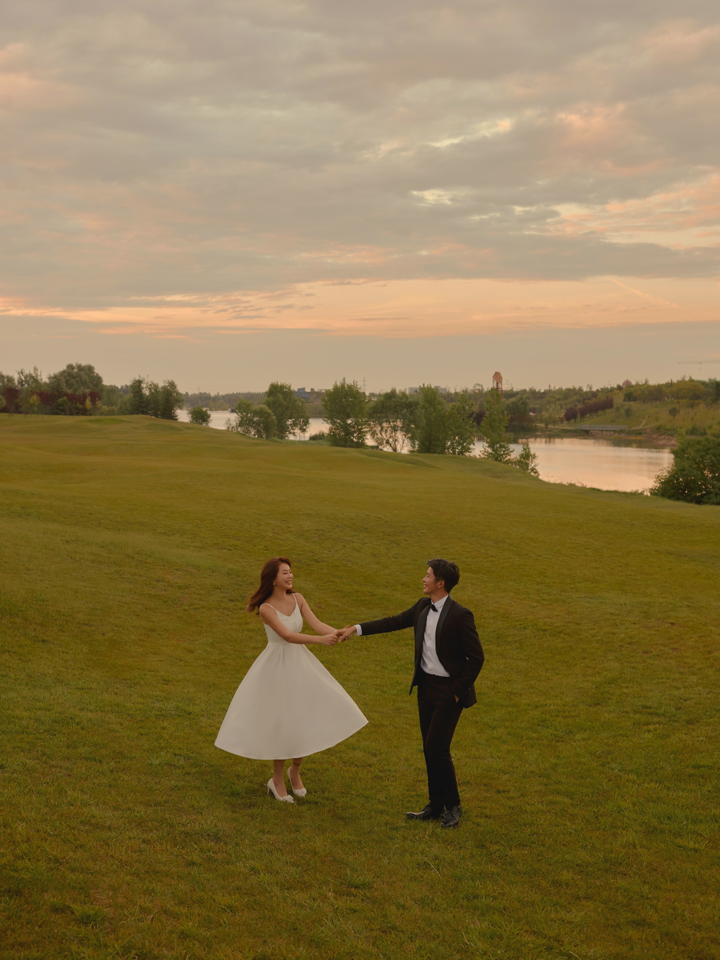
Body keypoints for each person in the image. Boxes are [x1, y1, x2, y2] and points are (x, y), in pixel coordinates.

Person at [338, 558, 483, 828]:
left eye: (427, 575)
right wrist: (355, 630)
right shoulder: (421, 607)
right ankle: (435, 805)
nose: (423, 579)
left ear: (441, 583)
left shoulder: (460, 615)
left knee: (436, 748)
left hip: (449, 692)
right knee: (430, 749)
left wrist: (456, 692)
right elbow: (392, 622)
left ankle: (453, 806)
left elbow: (476, 657)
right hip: (426, 688)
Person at [215, 557, 368, 802]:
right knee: (284, 721)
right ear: (272, 578)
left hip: (301, 665)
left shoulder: (298, 598)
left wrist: (338, 632)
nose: (290, 576)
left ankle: (294, 770)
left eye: (291, 572)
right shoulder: (266, 608)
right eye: (285, 573)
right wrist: (320, 641)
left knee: (304, 716)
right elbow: (286, 635)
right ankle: (276, 781)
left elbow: (317, 624)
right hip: (277, 668)